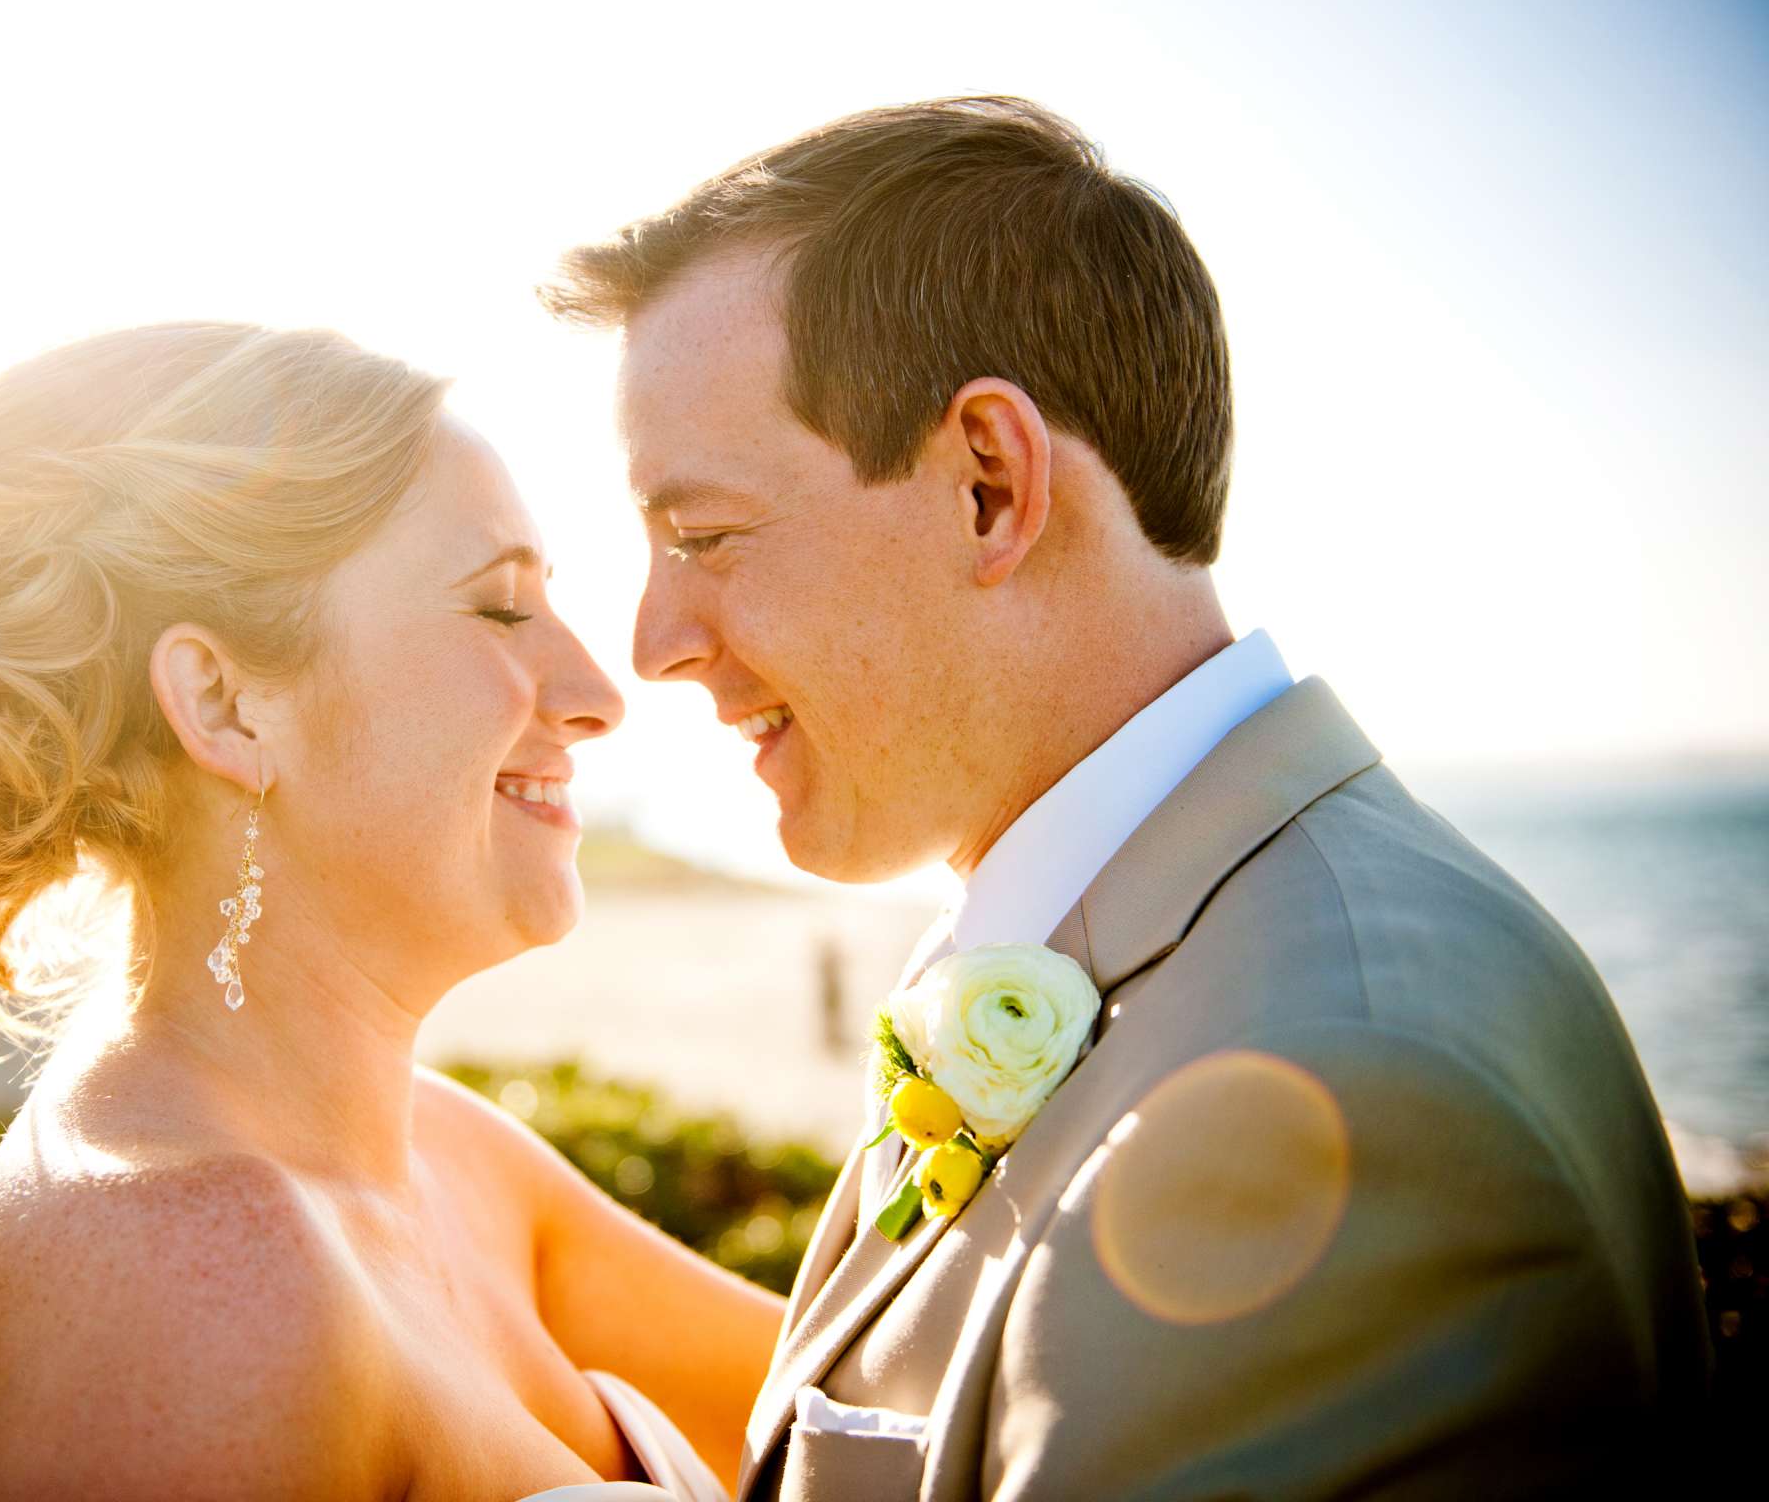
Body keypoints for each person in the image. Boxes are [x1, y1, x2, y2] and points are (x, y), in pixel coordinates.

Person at [540, 96, 1711, 1497]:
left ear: (989, 485)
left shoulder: (1343, 1084)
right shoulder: (1102, 938)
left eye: (706, 535)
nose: (654, 642)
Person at [0, 322, 780, 1500]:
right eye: (502, 610)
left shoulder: (444, 1157)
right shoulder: (183, 1290)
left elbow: (899, 1419)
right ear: (226, 704)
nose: (597, 693)